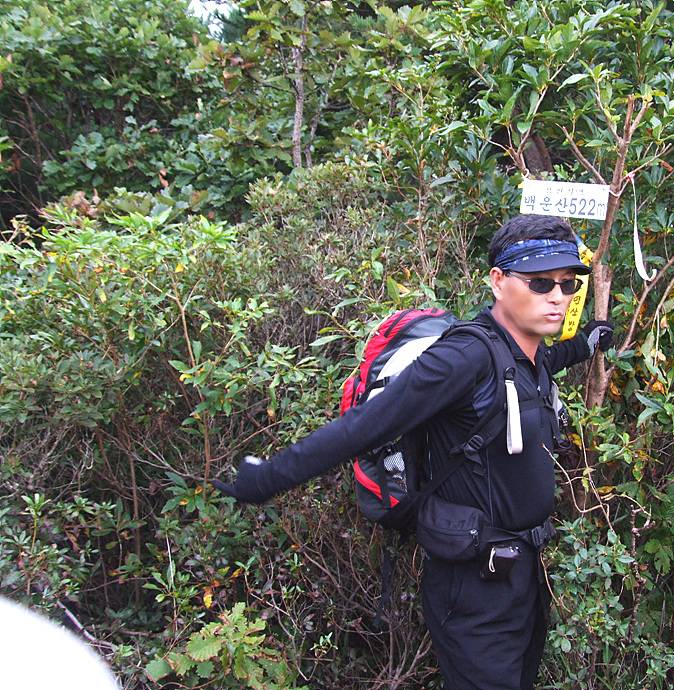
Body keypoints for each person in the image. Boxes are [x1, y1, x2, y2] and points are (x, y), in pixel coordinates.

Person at [214, 214, 616, 690]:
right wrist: (269, 478)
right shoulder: (464, 357)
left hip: (523, 573)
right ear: (499, 281)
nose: (557, 296)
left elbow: (554, 357)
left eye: (568, 284)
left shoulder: (527, 353)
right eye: (540, 282)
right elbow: (366, 426)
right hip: (473, 585)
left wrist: (591, 340)